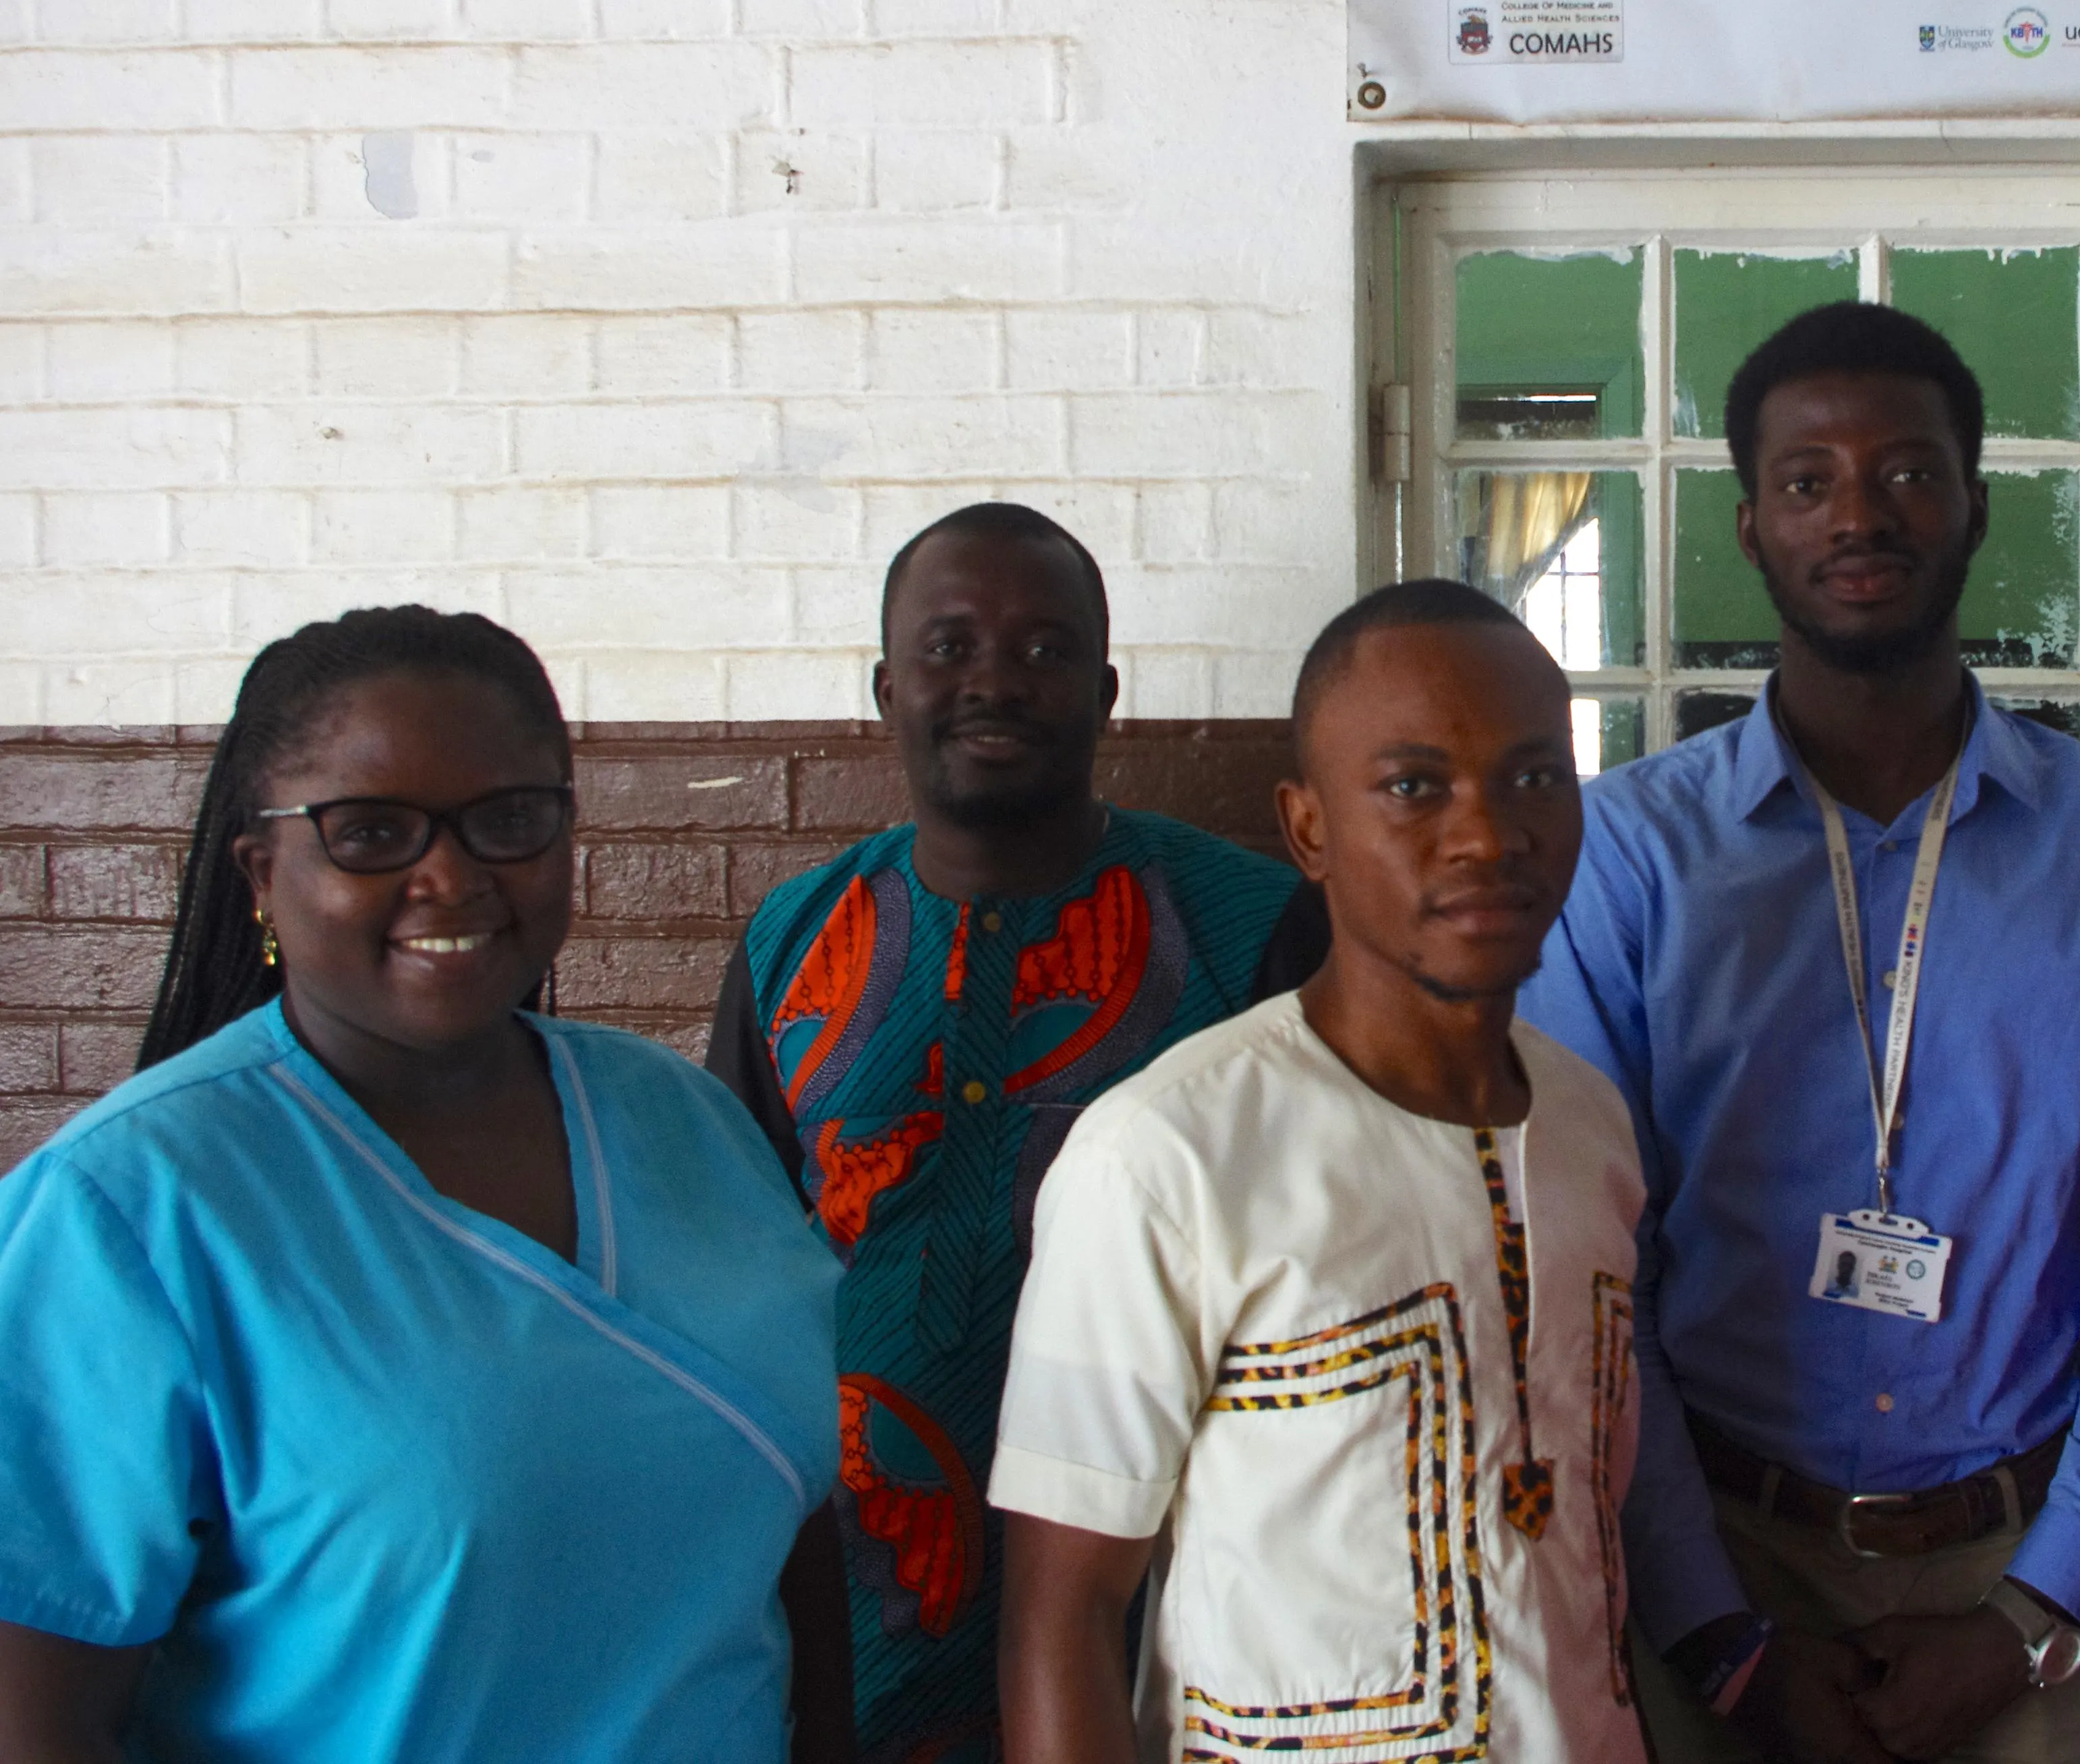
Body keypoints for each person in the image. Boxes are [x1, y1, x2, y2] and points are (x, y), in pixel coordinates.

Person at [1520, 304, 2080, 1763]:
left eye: (1907, 473)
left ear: (1976, 505)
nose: (1858, 514)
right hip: (1709, 1551)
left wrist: (2038, 1606)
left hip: (2042, 1549)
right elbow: (1589, 1271)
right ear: (1746, 526)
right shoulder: (1627, 858)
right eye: (1808, 481)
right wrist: (1718, 1635)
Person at [0, 606, 848, 1764]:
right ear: (263, 871)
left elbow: (790, 1549)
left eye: (508, 820)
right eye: (371, 832)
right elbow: (36, 1718)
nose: (450, 877)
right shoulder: (129, 1207)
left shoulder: (686, 1122)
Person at [705, 503, 1327, 1763]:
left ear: (1106, 688)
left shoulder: (1257, 932)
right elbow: (725, 1278)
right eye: (949, 646)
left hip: (1171, 1602)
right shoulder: (794, 944)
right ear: (886, 685)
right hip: (854, 1616)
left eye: (1044, 649)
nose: (994, 680)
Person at [993, 581, 1645, 1763]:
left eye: (1535, 777)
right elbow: (1064, 1612)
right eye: (1413, 788)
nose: (1488, 834)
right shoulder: (1165, 1155)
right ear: (1307, 830)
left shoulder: (1592, 1125)